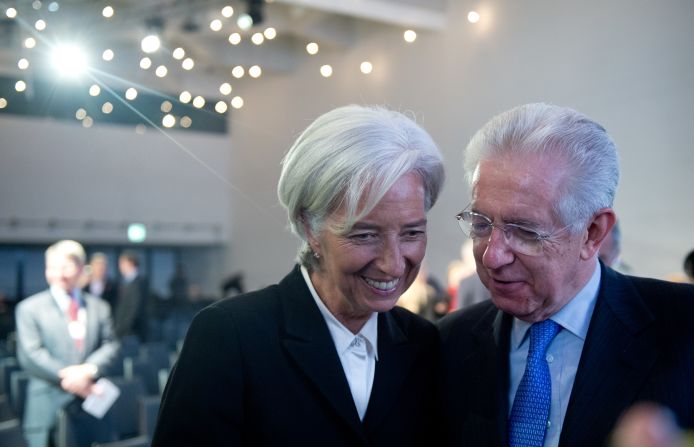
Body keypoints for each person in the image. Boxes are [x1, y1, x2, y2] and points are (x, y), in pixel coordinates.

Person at [152, 104, 445, 446]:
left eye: (411, 233)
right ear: (310, 227)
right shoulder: (231, 338)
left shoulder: (423, 344)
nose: (393, 264)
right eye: (365, 235)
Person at [438, 103, 694, 447]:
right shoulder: (447, 343)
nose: (492, 255)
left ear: (592, 232)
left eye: (525, 231)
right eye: (481, 224)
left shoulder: (683, 328)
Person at [15, 240, 120, 447]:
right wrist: (73, 378)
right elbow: (31, 354)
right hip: (47, 405)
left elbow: (111, 345)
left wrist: (89, 370)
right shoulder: (29, 309)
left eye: (66, 266)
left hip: (91, 407)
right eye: (52, 267)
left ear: (81, 269)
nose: (59, 273)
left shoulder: (99, 307)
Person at [114, 250, 148, 341]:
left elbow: (134, 310)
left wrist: (121, 330)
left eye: (122, 263)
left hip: (132, 333)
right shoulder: (123, 283)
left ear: (131, 263)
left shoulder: (139, 284)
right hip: (125, 332)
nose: (120, 267)